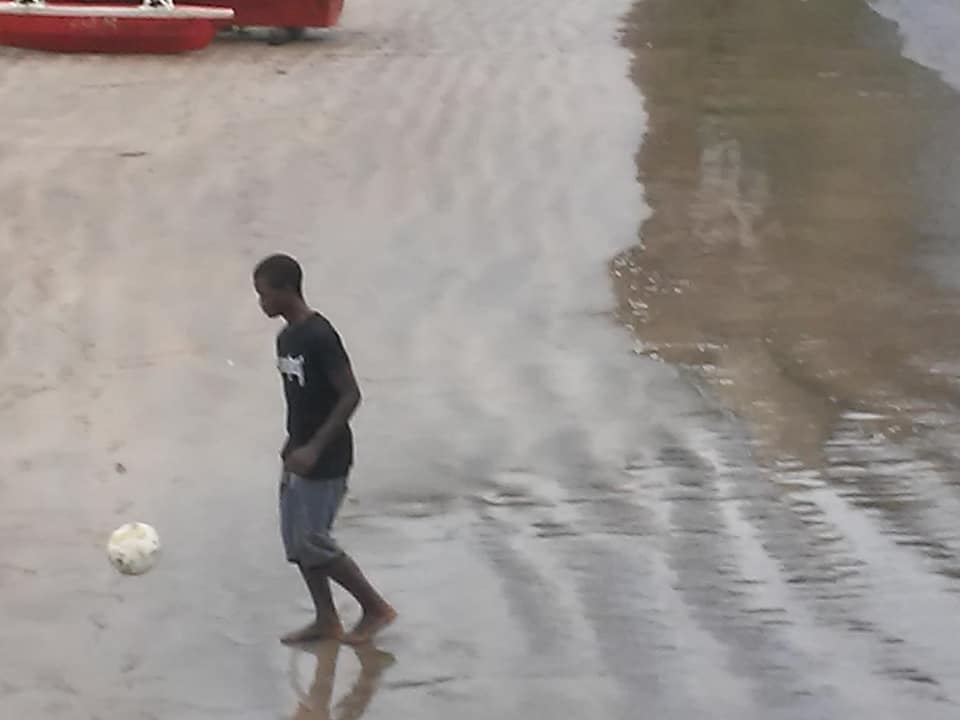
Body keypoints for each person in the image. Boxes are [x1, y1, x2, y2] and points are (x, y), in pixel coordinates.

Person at [253, 253, 396, 645]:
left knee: (312, 540)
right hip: (297, 450)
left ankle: (376, 609)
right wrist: (291, 443)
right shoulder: (286, 338)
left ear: (285, 290)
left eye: (263, 294)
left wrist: (315, 448)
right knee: (295, 542)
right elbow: (299, 400)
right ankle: (326, 619)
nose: (260, 302)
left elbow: (350, 395)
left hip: (327, 455)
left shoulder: (320, 335)